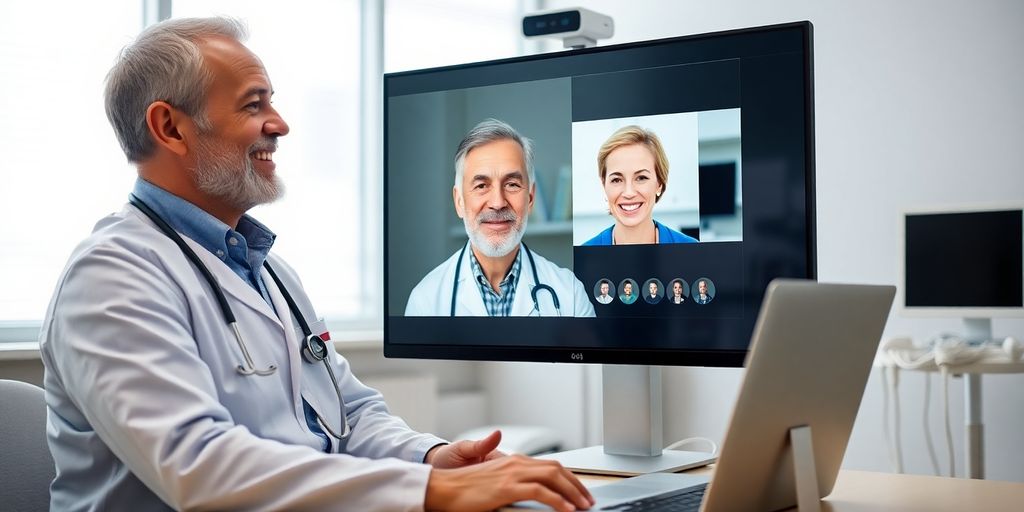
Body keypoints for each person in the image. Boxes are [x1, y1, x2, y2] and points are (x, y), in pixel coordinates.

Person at [38, 17, 593, 512]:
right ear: (171, 128)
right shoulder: (110, 276)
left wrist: (433, 458)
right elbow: (198, 467)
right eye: (254, 105)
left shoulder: (268, 269)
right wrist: (428, 494)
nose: (279, 124)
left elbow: (347, 415)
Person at [405, 119, 596, 318]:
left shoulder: (570, 295)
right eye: (481, 186)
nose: (497, 202)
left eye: (512, 184)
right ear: (459, 201)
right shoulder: (425, 300)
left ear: (530, 198)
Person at [582, 125, 699, 246]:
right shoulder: (585, 255)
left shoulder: (692, 249)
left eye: (641, 178)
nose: (629, 193)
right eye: (617, 180)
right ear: (604, 184)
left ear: (659, 183)